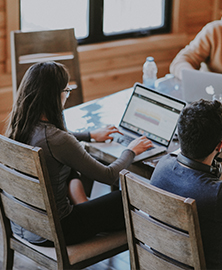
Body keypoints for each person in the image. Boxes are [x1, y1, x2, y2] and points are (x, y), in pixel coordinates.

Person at [5, 61, 153, 246]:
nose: (67, 95)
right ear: (54, 96)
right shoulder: (57, 140)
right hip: (58, 230)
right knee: (124, 197)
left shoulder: (19, 126)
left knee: (69, 164)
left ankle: (84, 204)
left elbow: (58, 141)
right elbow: (108, 176)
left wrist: (90, 135)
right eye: (66, 91)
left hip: (24, 224)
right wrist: (130, 150)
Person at [150, 99, 222, 269]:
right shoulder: (220, 194)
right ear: (220, 144)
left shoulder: (163, 165)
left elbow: (213, 189)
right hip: (207, 265)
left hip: (169, 259)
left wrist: (220, 157)